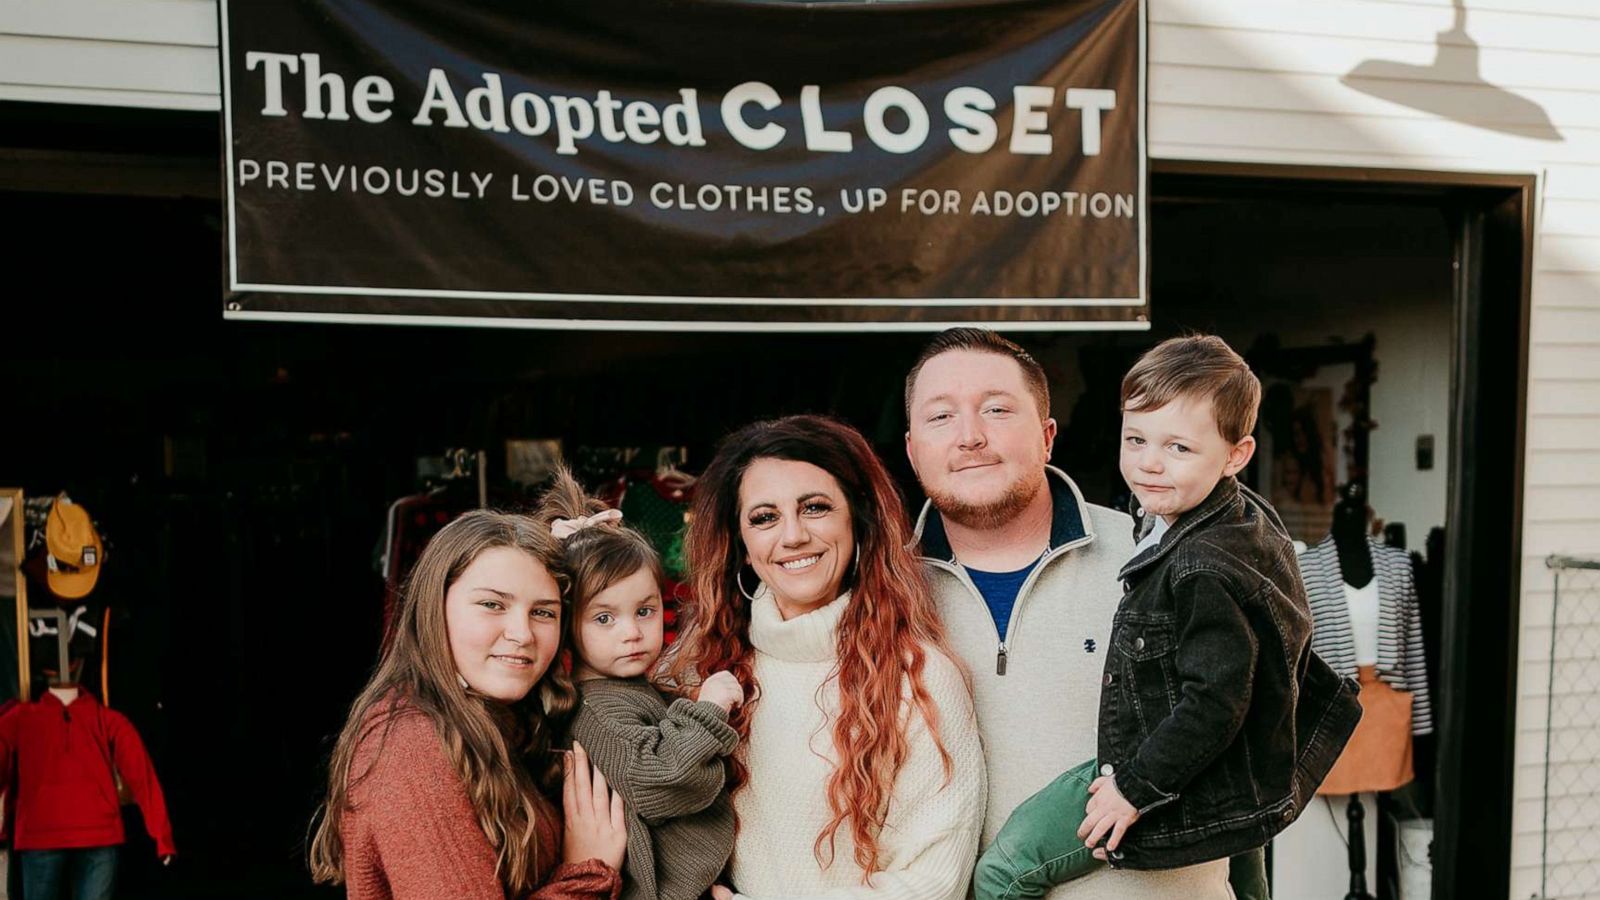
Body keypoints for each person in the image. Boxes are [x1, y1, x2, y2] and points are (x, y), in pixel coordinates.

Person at [907, 328, 1233, 899]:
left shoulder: (1164, 557)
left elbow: (1246, 723)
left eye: (997, 409)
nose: (970, 437)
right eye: (941, 417)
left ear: (1048, 435)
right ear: (912, 449)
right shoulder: (878, 597)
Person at [672, 414, 985, 900]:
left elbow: (931, 882)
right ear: (741, 544)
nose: (792, 535)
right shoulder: (701, 668)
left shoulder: (918, 678)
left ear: (857, 520)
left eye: (814, 508)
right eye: (764, 517)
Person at [308, 510, 626, 900]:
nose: (522, 633)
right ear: (434, 607)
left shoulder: (500, 719)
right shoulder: (413, 747)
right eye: (492, 605)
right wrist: (587, 875)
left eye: (543, 612)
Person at [536, 469, 742, 900]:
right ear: (567, 623)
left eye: (644, 611)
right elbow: (662, 782)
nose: (631, 632)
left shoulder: (625, 688)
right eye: (604, 618)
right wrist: (707, 713)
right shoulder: (596, 710)